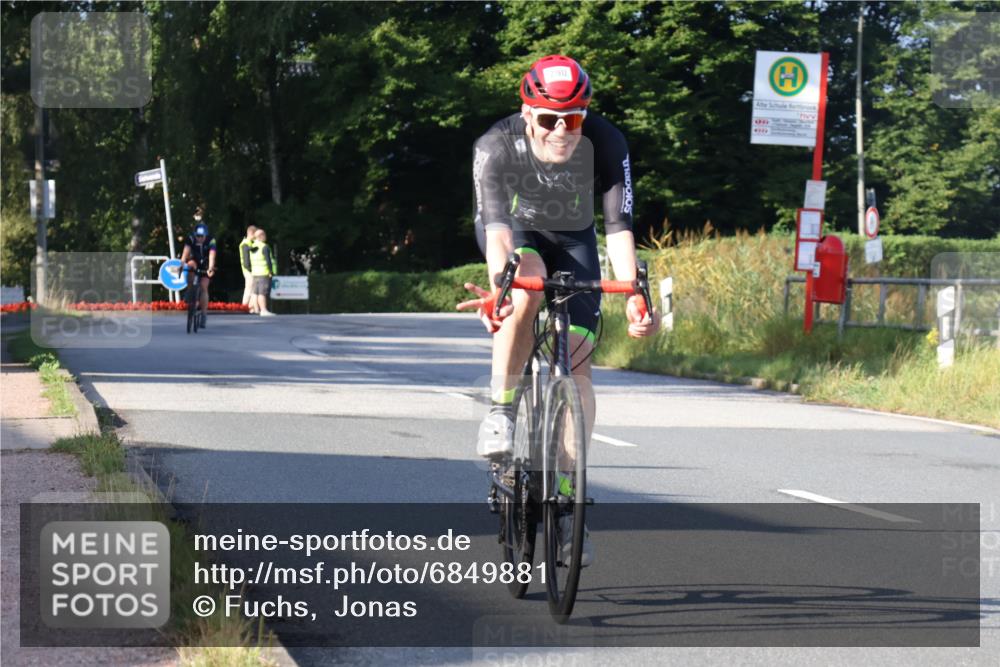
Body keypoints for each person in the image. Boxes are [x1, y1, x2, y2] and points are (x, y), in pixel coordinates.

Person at [457, 55, 658, 566]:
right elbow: (496, 233)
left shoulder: (607, 143)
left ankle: (567, 500)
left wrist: (634, 294)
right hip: (517, 234)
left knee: (578, 365)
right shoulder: (496, 145)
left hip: (575, 240)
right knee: (525, 290)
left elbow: (619, 228)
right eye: (549, 119)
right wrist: (501, 289)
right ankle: (502, 410)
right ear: (527, 114)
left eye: (573, 118)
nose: (561, 130)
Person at [179, 208, 216, 326]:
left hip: (206, 262)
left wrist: (210, 268)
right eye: (198, 236)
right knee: (190, 266)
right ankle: (190, 289)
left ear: (206, 235)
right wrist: (181, 265)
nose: (199, 238)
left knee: (204, 286)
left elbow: (212, 255)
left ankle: (204, 314)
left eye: (202, 236)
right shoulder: (191, 238)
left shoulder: (211, 241)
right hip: (194, 260)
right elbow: (185, 253)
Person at [249, 228, 277, 317]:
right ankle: (263, 310)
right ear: (261, 236)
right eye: (264, 235)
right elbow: (268, 260)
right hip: (263, 273)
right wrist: (270, 271)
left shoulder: (252, 247)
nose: (265, 236)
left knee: (256, 293)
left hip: (255, 273)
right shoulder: (264, 247)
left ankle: (257, 309)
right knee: (262, 293)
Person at [239, 225, 259, 314]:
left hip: (249, 270)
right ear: (251, 233)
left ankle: (250, 308)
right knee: (249, 289)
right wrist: (250, 269)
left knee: (252, 289)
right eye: (255, 235)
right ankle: (244, 307)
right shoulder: (245, 244)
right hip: (248, 271)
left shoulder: (249, 243)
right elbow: (246, 260)